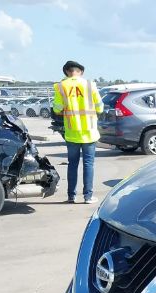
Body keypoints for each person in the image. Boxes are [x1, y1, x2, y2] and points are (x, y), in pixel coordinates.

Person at [52, 60, 103, 204]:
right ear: (80, 72)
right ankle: (88, 196)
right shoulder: (89, 84)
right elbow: (99, 107)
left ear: (67, 72)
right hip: (89, 131)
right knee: (88, 164)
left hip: (72, 132)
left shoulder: (61, 86)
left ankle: (71, 196)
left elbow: (57, 108)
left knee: (72, 165)